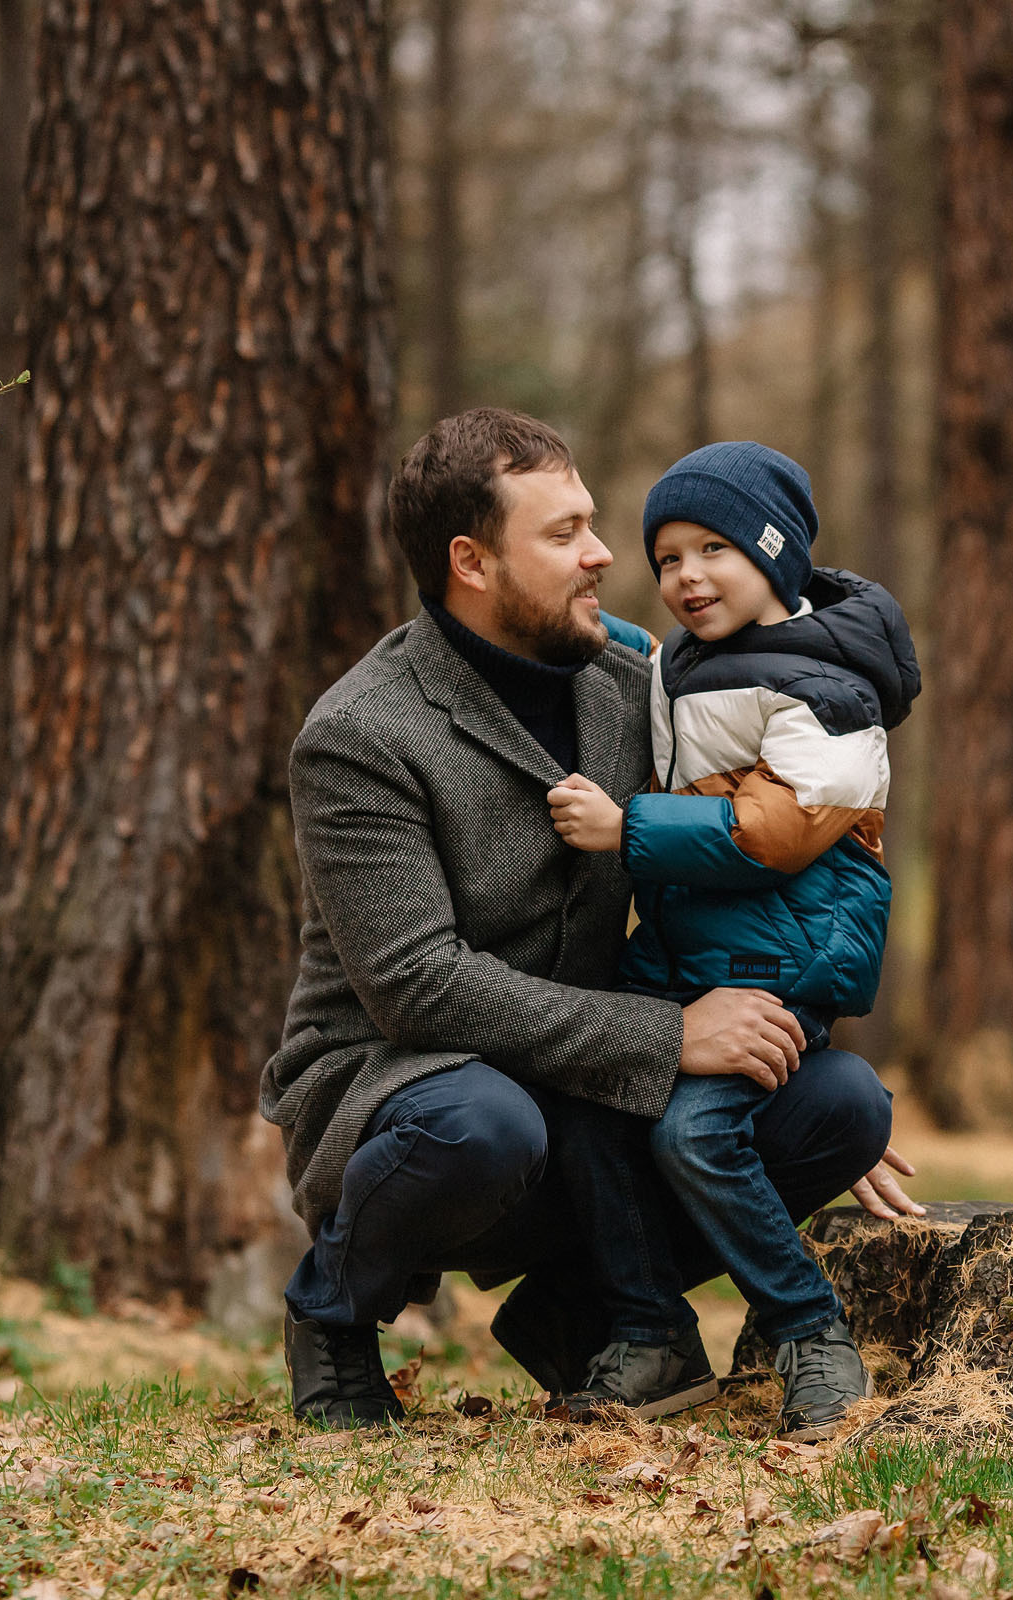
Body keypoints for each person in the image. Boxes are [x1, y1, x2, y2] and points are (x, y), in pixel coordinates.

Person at [260, 407, 924, 1428]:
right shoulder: (361, 733)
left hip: (585, 1072)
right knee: (483, 1119)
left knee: (835, 1101)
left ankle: (596, 1316)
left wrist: (795, 1032)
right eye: (564, 533)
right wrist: (672, 1033)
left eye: (593, 523)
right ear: (472, 563)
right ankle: (334, 1312)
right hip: (409, 1083)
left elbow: (743, 849)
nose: (604, 554)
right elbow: (417, 987)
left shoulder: (636, 685)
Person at [546, 442, 919, 1439]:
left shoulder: (833, 685)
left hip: (776, 963)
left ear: (777, 555)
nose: (686, 575)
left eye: (715, 547)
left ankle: (810, 1328)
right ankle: (649, 1333)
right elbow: (646, 662)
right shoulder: (695, 659)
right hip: (688, 964)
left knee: (694, 1130)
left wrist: (631, 828)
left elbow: (782, 828)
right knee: (588, 1105)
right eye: (667, 557)